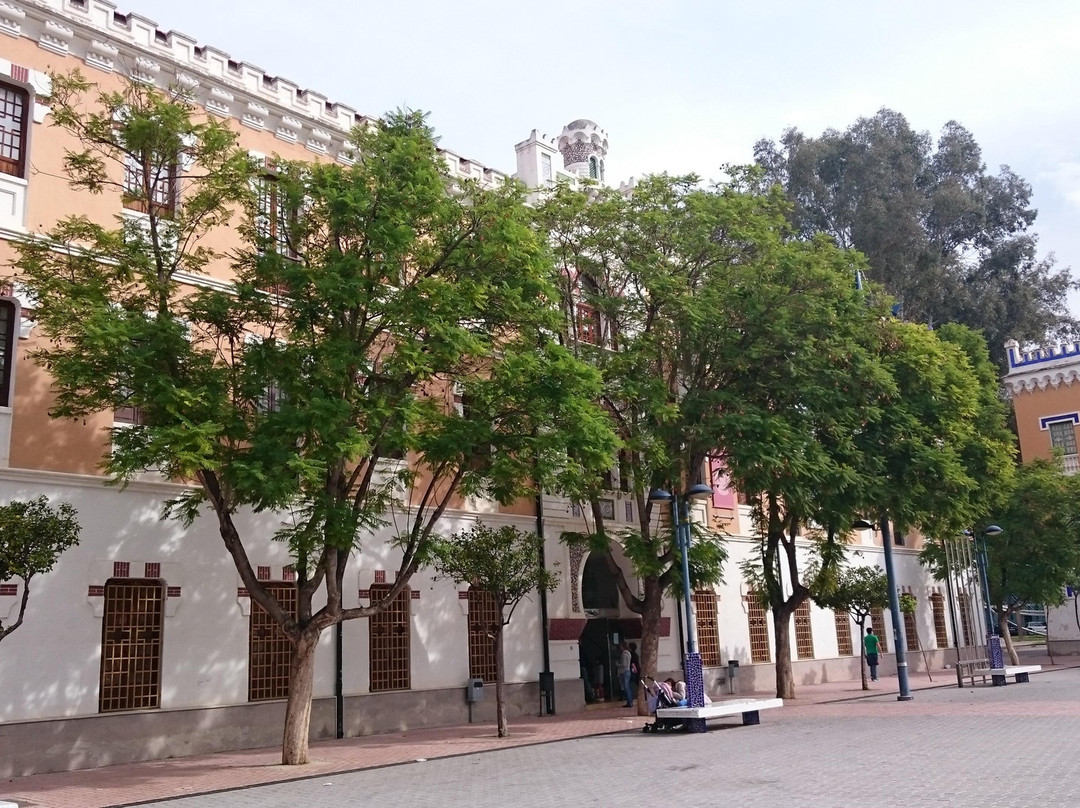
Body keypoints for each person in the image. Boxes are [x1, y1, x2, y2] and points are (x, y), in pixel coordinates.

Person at [617, 642, 633, 706]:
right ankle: (630, 701)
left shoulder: (624, 654)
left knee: (626, 688)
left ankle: (629, 702)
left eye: (621, 646)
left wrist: (617, 664)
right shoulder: (628, 653)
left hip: (624, 671)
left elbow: (623, 664)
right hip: (628, 671)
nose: (620, 648)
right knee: (628, 687)